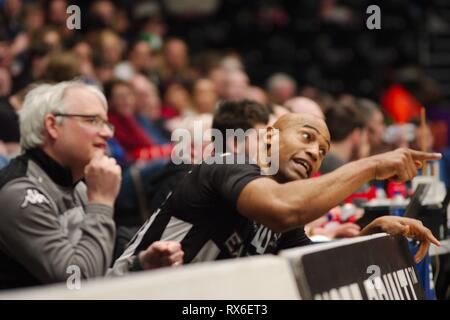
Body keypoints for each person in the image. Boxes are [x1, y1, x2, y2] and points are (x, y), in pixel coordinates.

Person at [110, 106, 441, 274]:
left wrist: (372, 234)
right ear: (269, 137)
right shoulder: (227, 165)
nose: (315, 153)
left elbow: (314, 263)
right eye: (307, 138)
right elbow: (284, 210)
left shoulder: (281, 202)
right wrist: (370, 166)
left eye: (323, 151)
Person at [0, 81, 183, 289]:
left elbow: (96, 273)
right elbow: (79, 283)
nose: (107, 133)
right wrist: (101, 202)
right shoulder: (19, 193)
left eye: (106, 123)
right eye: (92, 120)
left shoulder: (75, 184)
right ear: (52, 126)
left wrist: (138, 266)